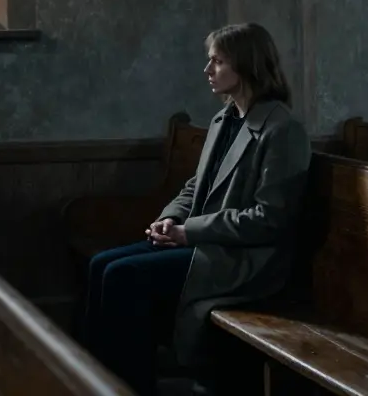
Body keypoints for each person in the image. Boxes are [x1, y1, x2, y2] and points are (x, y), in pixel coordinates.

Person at [81, 23, 312, 395]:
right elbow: (196, 186)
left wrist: (190, 231)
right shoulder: (224, 119)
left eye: (217, 62)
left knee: (125, 276)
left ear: (247, 65)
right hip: (205, 242)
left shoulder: (282, 130)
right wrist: (170, 217)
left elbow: (270, 219)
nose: (208, 71)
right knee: (101, 265)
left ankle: (126, 388)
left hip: (243, 259)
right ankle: (91, 383)